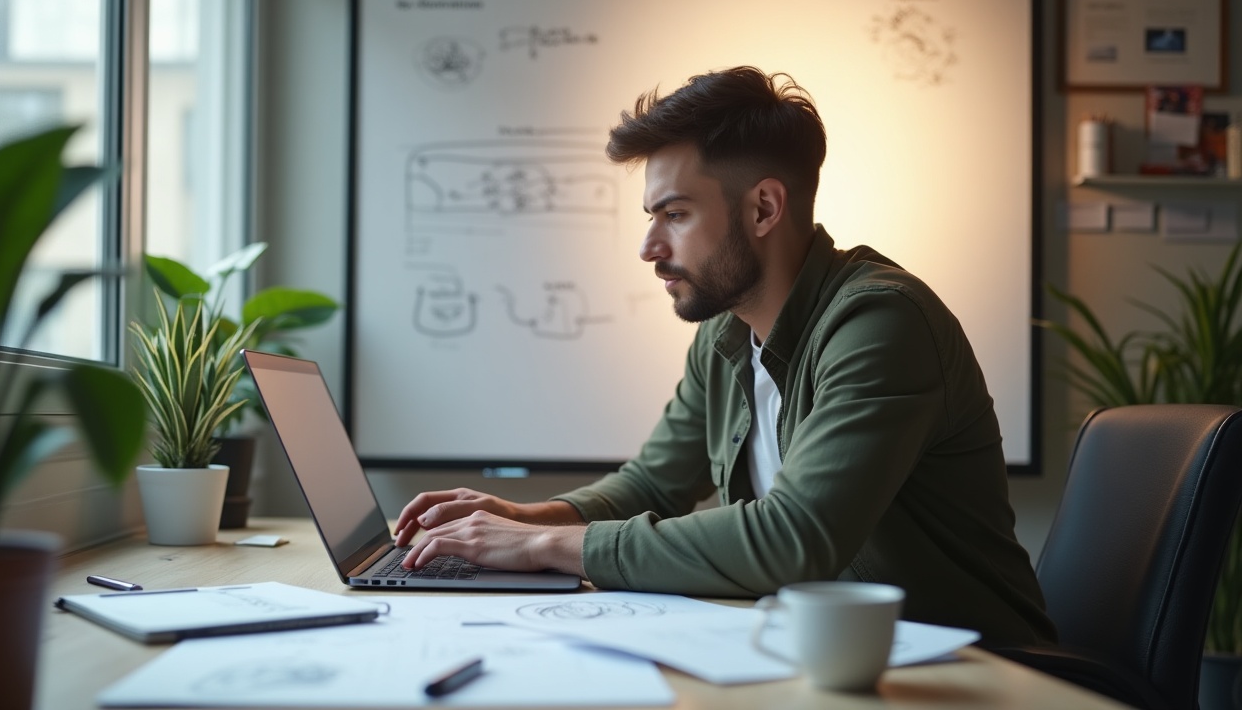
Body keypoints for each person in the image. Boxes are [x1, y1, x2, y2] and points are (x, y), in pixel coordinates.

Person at [396, 66, 1056, 647]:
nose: (649, 246)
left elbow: (794, 538)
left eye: (675, 214)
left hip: (972, 673)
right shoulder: (725, 335)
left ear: (764, 207)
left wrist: (543, 547)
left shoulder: (880, 323)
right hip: (823, 658)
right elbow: (651, 487)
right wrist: (521, 518)